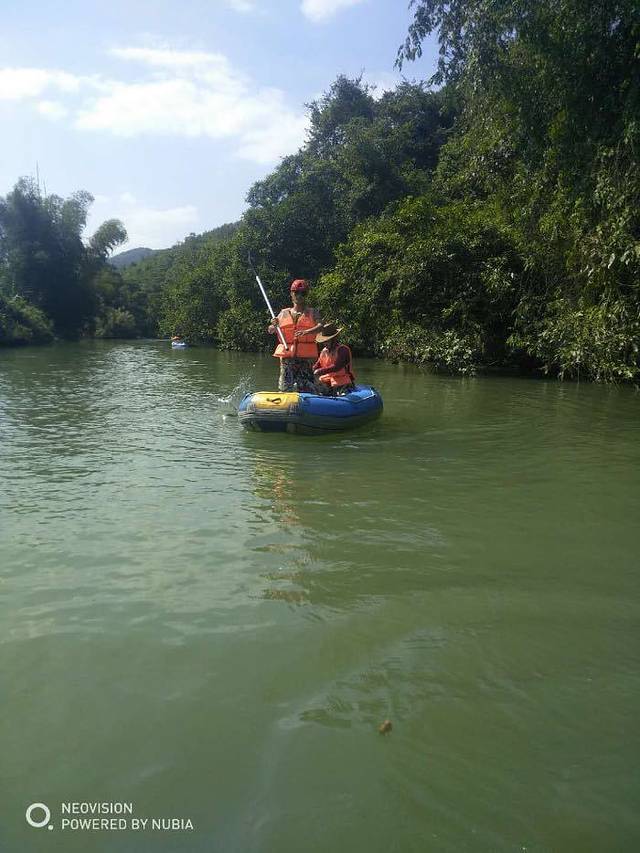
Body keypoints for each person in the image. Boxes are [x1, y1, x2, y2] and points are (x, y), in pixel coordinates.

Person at [268, 279, 323, 392]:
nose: (299, 296)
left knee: (307, 388)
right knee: (285, 388)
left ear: (306, 295)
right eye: (296, 292)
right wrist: (273, 325)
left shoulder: (313, 312)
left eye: (302, 293)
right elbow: (271, 330)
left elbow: (321, 326)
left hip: (306, 359)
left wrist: (307, 332)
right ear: (291, 294)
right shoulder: (284, 313)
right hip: (288, 357)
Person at [313, 323, 356, 395]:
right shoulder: (324, 351)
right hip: (328, 381)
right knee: (314, 387)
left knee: (340, 393)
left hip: (343, 382)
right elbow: (317, 365)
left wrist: (320, 371)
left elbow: (337, 367)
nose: (325, 343)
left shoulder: (343, 350)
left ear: (334, 339)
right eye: (324, 341)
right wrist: (312, 369)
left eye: (327, 341)